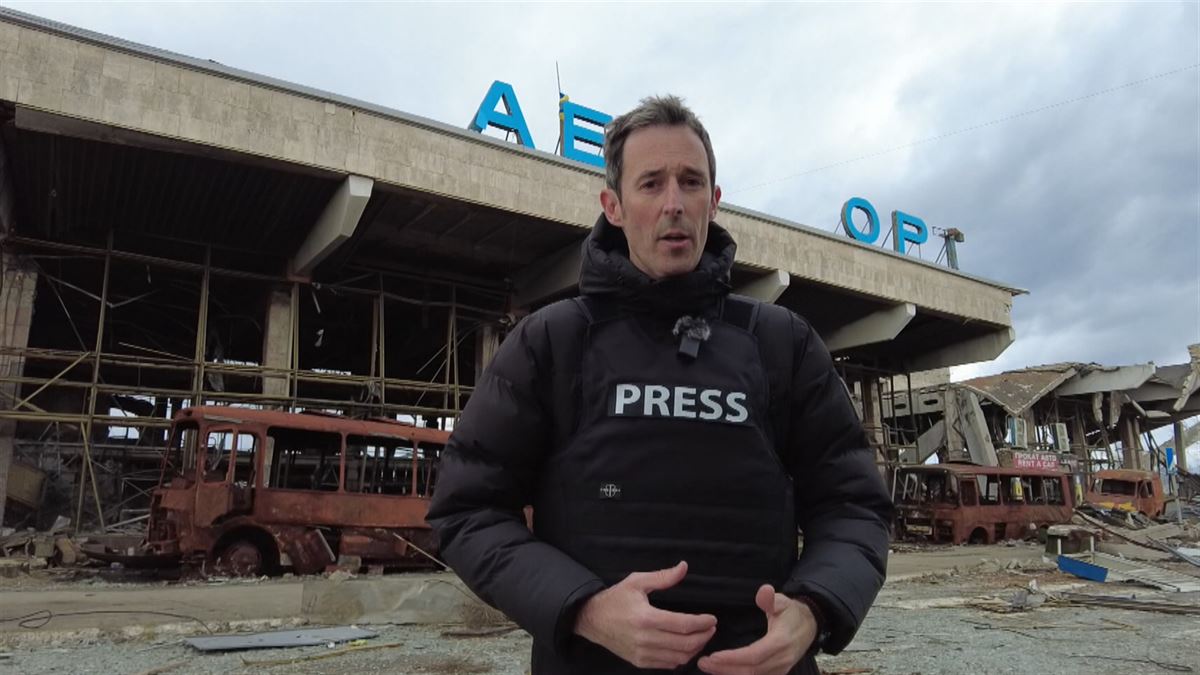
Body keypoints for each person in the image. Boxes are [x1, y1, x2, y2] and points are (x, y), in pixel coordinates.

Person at [427, 95, 893, 675]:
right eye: (651, 184)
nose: (674, 203)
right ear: (614, 206)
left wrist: (814, 608)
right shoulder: (550, 343)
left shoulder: (782, 343)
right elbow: (467, 510)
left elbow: (853, 505)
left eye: (691, 182)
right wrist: (585, 610)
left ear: (714, 202)